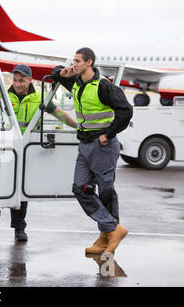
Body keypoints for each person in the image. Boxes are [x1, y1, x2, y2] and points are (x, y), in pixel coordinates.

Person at [51, 47, 133, 254]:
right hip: (85, 145)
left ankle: (106, 238)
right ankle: (112, 229)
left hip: (102, 145)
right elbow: (55, 73)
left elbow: (126, 111)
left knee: (106, 191)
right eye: (74, 60)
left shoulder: (103, 86)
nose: (74, 64)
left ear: (90, 63)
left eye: (78, 61)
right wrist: (63, 73)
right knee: (80, 188)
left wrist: (109, 134)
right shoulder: (76, 82)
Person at [8, 64, 77, 242]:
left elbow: (60, 114)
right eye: (15, 80)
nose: (17, 84)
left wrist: (79, 128)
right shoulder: (4, 96)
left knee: (20, 189)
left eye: (21, 80)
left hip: (25, 150)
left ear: (30, 80)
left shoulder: (40, 98)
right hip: (7, 148)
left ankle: (19, 228)